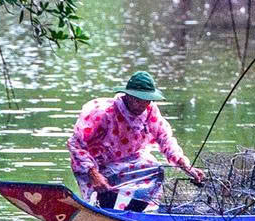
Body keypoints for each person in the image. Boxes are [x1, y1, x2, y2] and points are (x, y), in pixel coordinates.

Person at [67, 70, 207, 211]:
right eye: (138, 100)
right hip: (96, 164)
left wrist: (186, 166)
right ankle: (104, 210)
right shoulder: (103, 113)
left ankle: (135, 212)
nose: (142, 105)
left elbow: (165, 139)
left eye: (147, 100)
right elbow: (75, 143)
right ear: (128, 96)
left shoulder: (150, 111)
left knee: (156, 169)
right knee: (103, 194)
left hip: (130, 159)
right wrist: (93, 174)